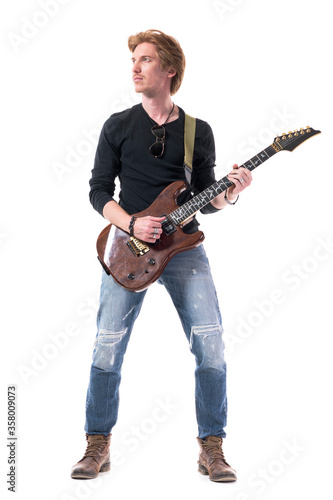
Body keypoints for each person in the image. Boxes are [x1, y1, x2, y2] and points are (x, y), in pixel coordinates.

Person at [71, 29, 252, 483]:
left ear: (169, 69)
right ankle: (98, 445)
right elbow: (97, 192)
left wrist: (230, 193)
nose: (135, 66)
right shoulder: (117, 125)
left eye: (145, 59)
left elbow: (206, 197)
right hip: (128, 249)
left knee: (209, 340)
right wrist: (131, 223)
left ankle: (212, 447)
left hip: (184, 247)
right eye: (133, 58)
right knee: (108, 342)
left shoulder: (197, 131)